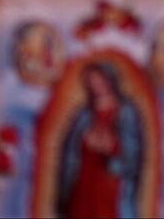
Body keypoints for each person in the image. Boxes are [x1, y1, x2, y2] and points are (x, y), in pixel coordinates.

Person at [57, 62, 142, 219]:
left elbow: (133, 156)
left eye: (100, 81)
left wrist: (112, 148)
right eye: (92, 82)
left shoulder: (125, 113)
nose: (96, 86)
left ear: (110, 81)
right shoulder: (85, 114)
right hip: (82, 186)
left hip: (110, 189)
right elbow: (70, 152)